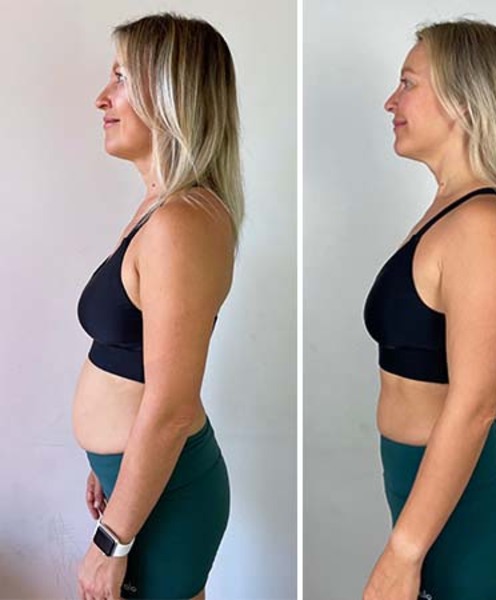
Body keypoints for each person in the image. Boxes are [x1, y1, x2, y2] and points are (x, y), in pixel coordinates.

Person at [362, 18, 496, 600]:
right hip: (419, 487)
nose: (391, 101)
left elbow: (475, 404)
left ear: (464, 100)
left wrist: (403, 552)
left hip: (464, 511)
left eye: (408, 83)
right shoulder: (448, 209)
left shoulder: (482, 222)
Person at [73, 12, 243, 600]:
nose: (102, 97)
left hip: (167, 497)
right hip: (137, 482)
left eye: (121, 77)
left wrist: (112, 542)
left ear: (171, 96)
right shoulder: (160, 209)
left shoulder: (181, 222)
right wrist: (105, 462)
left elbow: (171, 406)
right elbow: (133, 358)